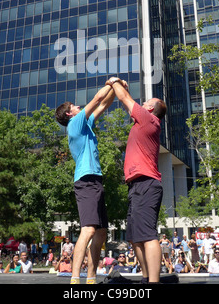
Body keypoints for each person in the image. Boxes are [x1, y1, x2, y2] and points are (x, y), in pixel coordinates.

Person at [107, 76, 166, 283]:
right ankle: (146, 277)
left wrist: (114, 82)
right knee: (134, 237)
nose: (142, 104)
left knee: (148, 235)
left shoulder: (150, 120)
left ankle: (153, 282)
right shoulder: (143, 122)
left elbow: (124, 99)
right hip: (136, 186)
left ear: (151, 109)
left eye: (146, 103)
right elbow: (128, 99)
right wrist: (123, 88)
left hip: (147, 184)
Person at [55, 83, 115, 285]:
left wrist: (117, 89)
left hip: (95, 179)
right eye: (75, 106)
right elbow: (97, 99)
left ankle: (91, 278)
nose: (79, 106)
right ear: (70, 114)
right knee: (88, 230)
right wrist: (111, 82)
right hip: (85, 179)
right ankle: (74, 279)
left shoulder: (85, 124)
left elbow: (104, 105)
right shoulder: (74, 125)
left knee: (101, 232)